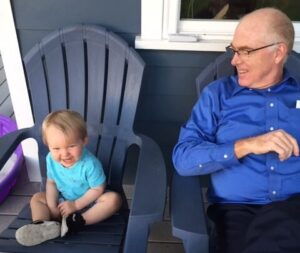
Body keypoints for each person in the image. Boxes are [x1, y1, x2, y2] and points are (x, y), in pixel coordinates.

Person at [172, 7, 300, 253]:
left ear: (278, 53)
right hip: (237, 210)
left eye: (246, 51)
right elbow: (183, 159)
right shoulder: (217, 96)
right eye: (234, 50)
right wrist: (246, 145)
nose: (234, 60)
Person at [16, 110, 122, 246]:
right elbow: (51, 183)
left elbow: (98, 188)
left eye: (71, 146)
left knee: (114, 200)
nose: (64, 153)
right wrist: (53, 206)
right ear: (47, 145)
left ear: (84, 140)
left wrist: (76, 205)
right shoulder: (51, 159)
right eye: (56, 148)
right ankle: (42, 225)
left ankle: (76, 222)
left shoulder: (90, 164)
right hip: (63, 202)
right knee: (37, 198)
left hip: (89, 203)